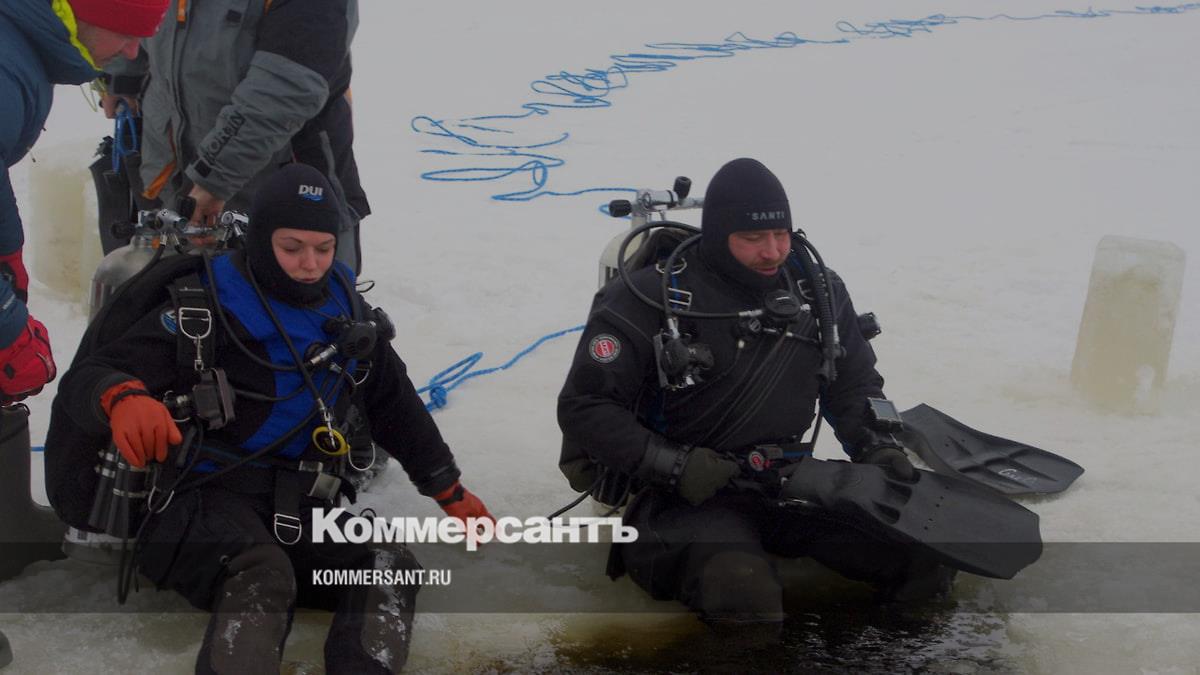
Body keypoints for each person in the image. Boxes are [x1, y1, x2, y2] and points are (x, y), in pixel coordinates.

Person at [51, 164, 492, 673]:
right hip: (198, 501)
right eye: (292, 247)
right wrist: (123, 397)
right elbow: (92, 374)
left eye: (324, 248)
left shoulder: (347, 310)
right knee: (263, 572)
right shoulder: (206, 305)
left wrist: (447, 488)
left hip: (296, 503)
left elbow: (393, 402)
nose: (310, 264)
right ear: (262, 239)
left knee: (386, 566)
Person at [557, 158, 951, 626]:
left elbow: (854, 383)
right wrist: (674, 465)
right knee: (741, 590)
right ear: (718, 234)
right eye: (753, 238)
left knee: (923, 558)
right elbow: (586, 407)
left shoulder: (817, 291)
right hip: (680, 498)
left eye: (781, 234)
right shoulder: (649, 298)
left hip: (785, 482)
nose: (773, 251)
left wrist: (877, 444)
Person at [100, 0, 369, 274]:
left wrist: (214, 178)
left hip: (284, 199)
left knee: (293, 294)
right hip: (170, 176)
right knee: (172, 291)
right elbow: (133, 10)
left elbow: (285, 88)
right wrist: (119, 73)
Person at [0, 0, 169, 403]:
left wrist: (9, 252)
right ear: (84, 15)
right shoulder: (6, 76)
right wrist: (7, 330)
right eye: (126, 35)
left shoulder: (19, 50)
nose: (132, 52)